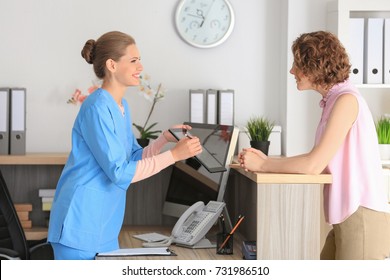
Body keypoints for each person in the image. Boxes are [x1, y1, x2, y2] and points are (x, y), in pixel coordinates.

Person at [47, 31, 202, 260]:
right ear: (112, 65)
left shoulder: (121, 106)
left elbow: (132, 159)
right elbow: (120, 173)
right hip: (79, 224)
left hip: (104, 225)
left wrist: (163, 140)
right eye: (133, 60)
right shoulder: (96, 107)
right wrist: (173, 157)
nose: (140, 66)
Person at [239, 31, 390, 260]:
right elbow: (316, 159)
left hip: (362, 218)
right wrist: (264, 162)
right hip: (347, 217)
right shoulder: (334, 101)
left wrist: (265, 163)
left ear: (314, 66)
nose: (292, 71)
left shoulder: (346, 101)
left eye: (297, 64)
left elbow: (313, 164)